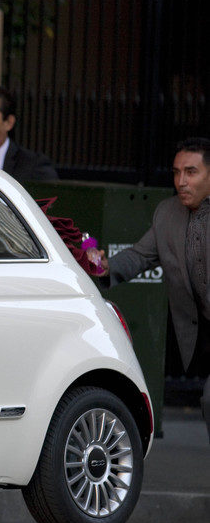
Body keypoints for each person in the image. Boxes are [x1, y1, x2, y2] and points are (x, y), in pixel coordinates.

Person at [97, 137, 210, 444]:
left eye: (191, 172)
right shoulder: (167, 213)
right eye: (176, 172)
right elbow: (140, 255)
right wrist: (105, 267)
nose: (181, 182)